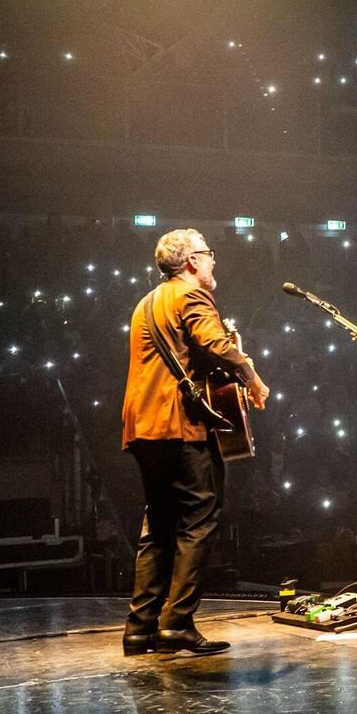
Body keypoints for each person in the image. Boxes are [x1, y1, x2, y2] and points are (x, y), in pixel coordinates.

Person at [121, 228, 270, 657]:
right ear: (190, 262)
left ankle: (141, 628)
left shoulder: (145, 304)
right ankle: (177, 623)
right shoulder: (191, 297)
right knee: (200, 518)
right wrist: (253, 378)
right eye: (208, 254)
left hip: (142, 426)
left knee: (160, 525)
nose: (213, 261)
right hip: (178, 425)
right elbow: (216, 345)